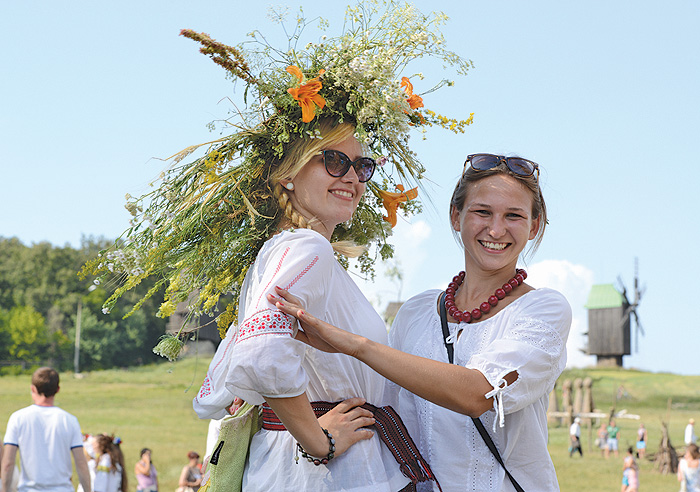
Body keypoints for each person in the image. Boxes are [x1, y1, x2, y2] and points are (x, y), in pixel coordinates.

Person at [274, 152, 572, 491]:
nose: (496, 229)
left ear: (533, 226)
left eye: (514, 216)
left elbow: (478, 393)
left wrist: (356, 345)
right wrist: (316, 429)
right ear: (456, 216)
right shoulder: (417, 312)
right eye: (482, 211)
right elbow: (382, 405)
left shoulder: (543, 309)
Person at [1, 367, 91, 492]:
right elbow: (81, 463)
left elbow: (7, 463)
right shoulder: (69, 420)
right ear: (58, 389)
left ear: (33, 388)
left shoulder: (17, 418)